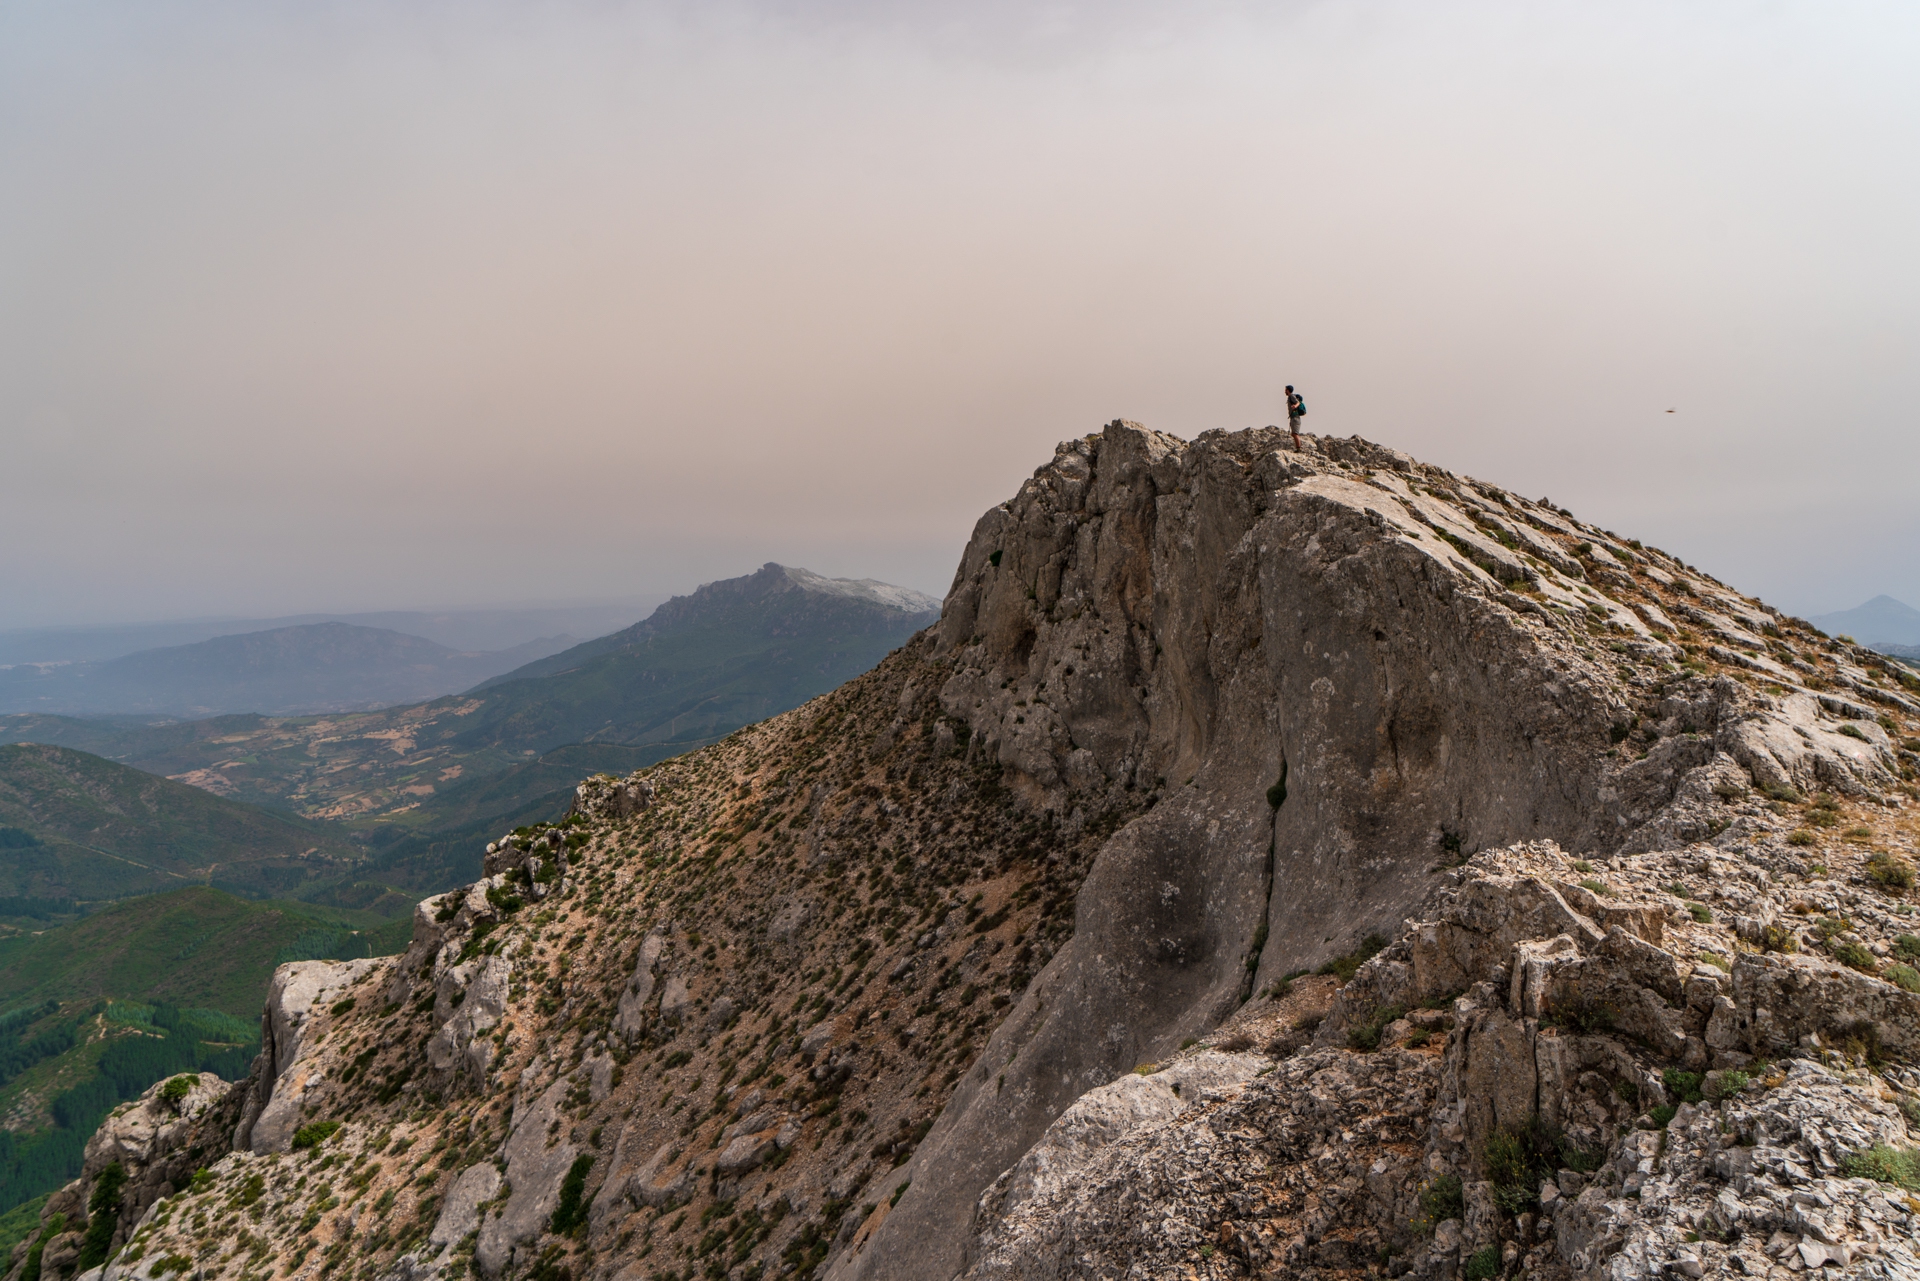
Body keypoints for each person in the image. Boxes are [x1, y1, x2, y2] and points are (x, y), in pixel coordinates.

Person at [1285, 385, 1305, 450]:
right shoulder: (1290, 397)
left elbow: (1297, 402)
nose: (1285, 391)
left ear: (1288, 390)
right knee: (1293, 434)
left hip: (1295, 418)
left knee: (1295, 434)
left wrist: (1295, 406)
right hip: (1293, 417)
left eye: (1285, 389)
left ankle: (1298, 448)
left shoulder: (1291, 396)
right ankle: (1298, 447)